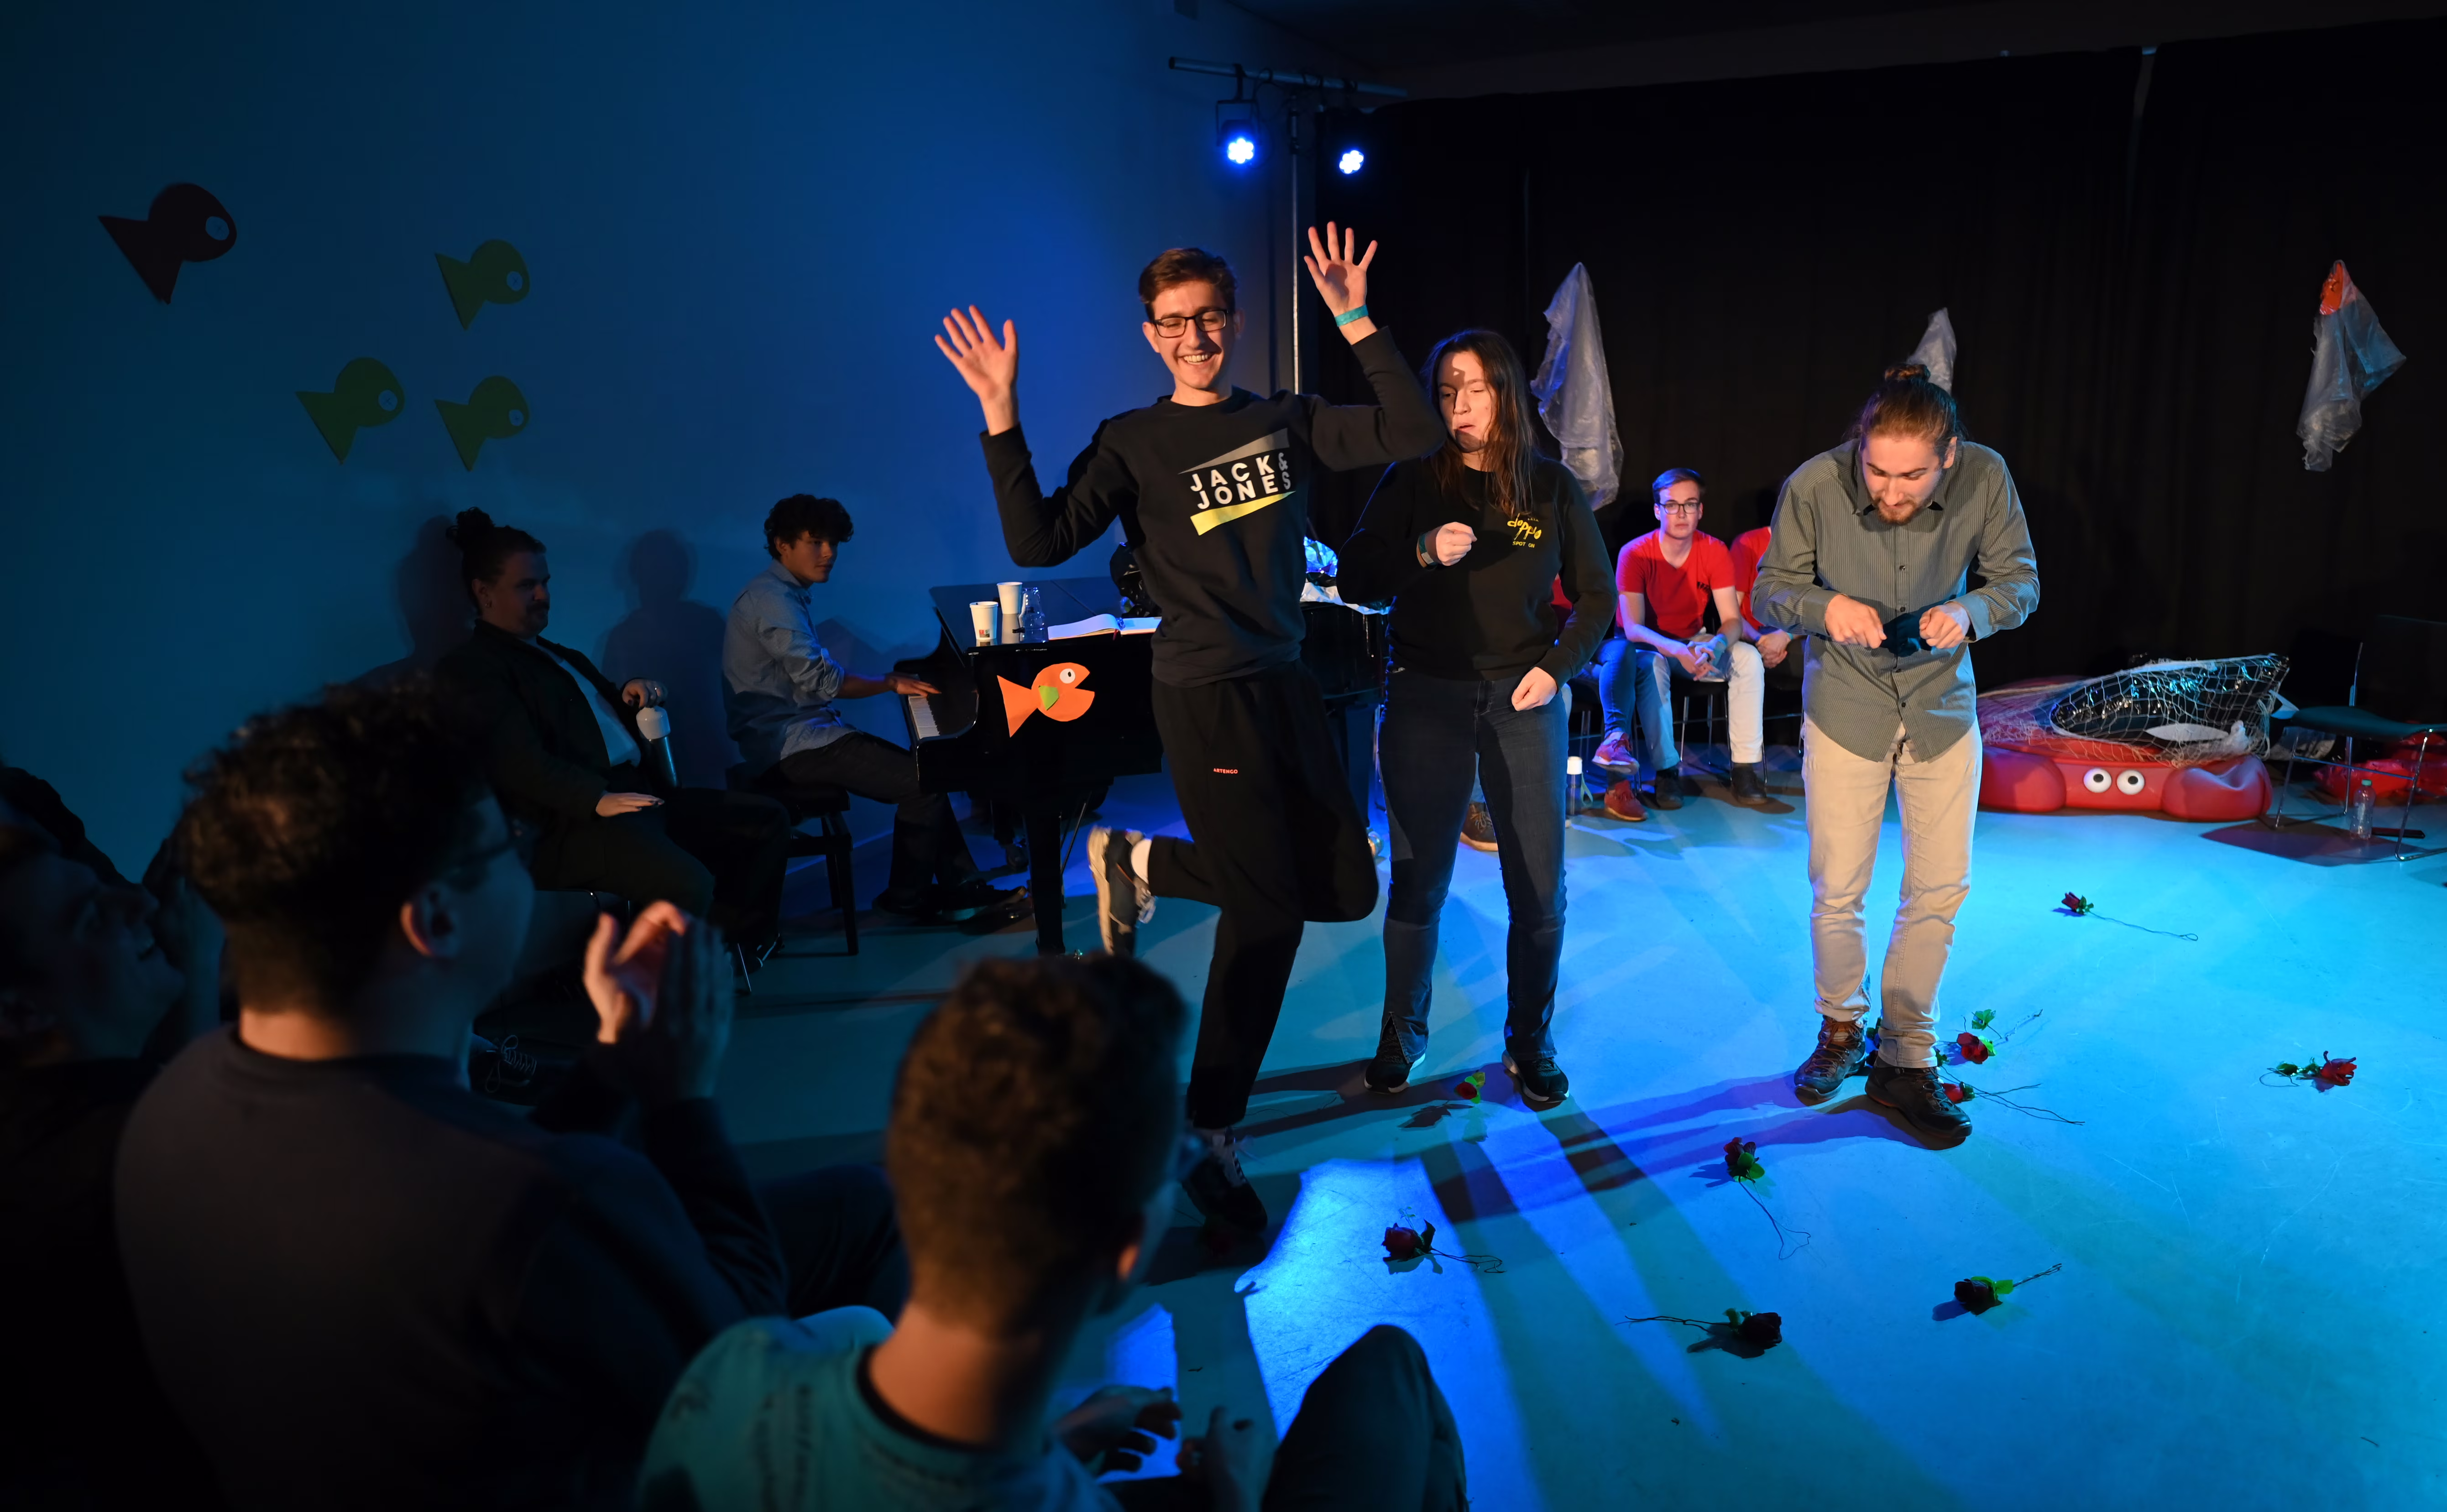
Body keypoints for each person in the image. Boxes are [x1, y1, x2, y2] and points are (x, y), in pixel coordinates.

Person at [113, 682, 906, 1510]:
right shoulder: (544, 1200)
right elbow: (732, 1366)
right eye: (506, 845)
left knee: (857, 1203)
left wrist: (613, 1062)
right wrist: (683, 1102)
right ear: (436, 920)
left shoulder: (168, 1107)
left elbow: (494, 1187)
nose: (523, 861)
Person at [934, 229, 1443, 1235]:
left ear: (1234, 321)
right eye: (1173, 323)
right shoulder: (1132, 441)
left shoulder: (1285, 420)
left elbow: (1413, 429)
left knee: (1346, 887)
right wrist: (999, 412)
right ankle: (1209, 1129)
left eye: (1208, 317)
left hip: (1285, 684)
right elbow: (1039, 537)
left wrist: (1353, 316)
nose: (1194, 337)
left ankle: (1135, 860)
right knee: (1267, 915)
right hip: (1203, 693)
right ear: (1150, 335)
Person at [637, 954, 1467, 1512]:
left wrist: (1056, 1440)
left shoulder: (730, 1370)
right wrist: (1237, 1496)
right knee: (1390, 1364)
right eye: (1174, 1161)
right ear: (1124, 1253)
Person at [1752, 364, 2039, 1142]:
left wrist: (1971, 610)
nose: (1888, 490)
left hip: (1942, 709)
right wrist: (1823, 606)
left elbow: (2020, 582)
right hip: (1845, 710)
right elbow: (1769, 590)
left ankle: (1906, 1056)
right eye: (1876, 470)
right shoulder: (1814, 485)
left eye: (1911, 476)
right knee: (1837, 887)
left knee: (1939, 887)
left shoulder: (1986, 476)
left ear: (1948, 455)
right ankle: (1840, 1029)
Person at [1338, 329, 1610, 1110]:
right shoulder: (1411, 478)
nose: (1459, 404)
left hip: (1524, 700)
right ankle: (1402, 1031)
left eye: (1476, 388)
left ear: (1506, 393)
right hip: (1425, 696)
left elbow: (1595, 597)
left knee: (1539, 888)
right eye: (1447, 390)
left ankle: (1530, 1040)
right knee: (1418, 881)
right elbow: (1356, 576)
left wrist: (1555, 669)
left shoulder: (1550, 486)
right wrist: (1420, 550)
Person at [436, 509, 791, 954]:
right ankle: (663, 984)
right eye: (527, 586)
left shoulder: (558, 655)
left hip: (636, 795)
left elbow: (591, 712)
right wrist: (595, 798)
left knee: (766, 821)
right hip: (572, 823)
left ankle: (737, 948)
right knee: (687, 882)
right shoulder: (474, 668)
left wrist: (629, 693)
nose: (543, 595)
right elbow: (517, 760)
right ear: (484, 592)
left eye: (545, 582)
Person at [0, 822, 225, 1509]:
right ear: (21, 1011)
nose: (143, 902)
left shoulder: (45, 1123)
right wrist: (201, 971)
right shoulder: (120, 1171)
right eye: (93, 916)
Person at [724, 493, 1015, 922]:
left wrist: (884, 680)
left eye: (833, 543)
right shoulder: (772, 600)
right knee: (924, 782)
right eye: (816, 542)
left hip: (801, 734)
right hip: (789, 747)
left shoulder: (780, 594)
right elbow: (823, 681)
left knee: (929, 774)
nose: (829, 553)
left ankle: (963, 886)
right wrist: (889, 682)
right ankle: (907, 898)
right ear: (783, 545)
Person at [1592, 469, 1771, 808]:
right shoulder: (1635, 553)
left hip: (1695, 642)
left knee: (1748, 658)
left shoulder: (1714, 550)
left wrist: (1716, 645)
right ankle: (1667, 771)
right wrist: (1678, 650)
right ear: (1658, 510)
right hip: (1650, 647)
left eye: (1690, 505)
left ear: (1701, 510)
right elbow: (1633, 628)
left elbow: (1732, 620)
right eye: (1672, 505)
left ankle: (1745, 768)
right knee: (1654, 667)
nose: (1682, 514)